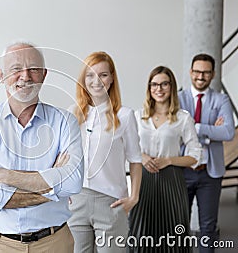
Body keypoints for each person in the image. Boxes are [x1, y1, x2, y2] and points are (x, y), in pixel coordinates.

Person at [0, 41, 84, 252]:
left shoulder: (65, 122)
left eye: (33, 69)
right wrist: (50, 187)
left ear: (44, 75)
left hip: (54, 243)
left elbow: (73, 183)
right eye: (16, 69)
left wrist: (7, 177)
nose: (25, 76)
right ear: (1, 75)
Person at [67, 51, 142, 252]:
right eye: (90, 75)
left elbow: (135, 160)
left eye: (103, 75)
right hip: (77, 200)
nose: (96, 80)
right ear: (83, 79)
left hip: (110, 202)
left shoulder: (125, 116)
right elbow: (65, 159)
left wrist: (134, 197)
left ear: (111, 79)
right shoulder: (73, 114)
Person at [129, 66, 202, 253]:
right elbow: (126, 148)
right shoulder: (138, 117)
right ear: (149, 88)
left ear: (171, 87)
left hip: (172, 181)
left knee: (173, 235)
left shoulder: (183, 118)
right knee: (140, 233)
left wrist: (169, 160)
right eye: (154, 84)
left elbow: (196, 155)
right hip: (142, 181)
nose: (159, 89)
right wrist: (143, 157)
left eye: (164, 84)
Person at [178, 54, 235, 252]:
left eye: (206, 72)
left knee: (208, 228)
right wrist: (212, 131)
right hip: (182, 172)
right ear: (191, 72)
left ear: (213, 74)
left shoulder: (221, 99)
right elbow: (174, 133)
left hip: (210, 173)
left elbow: (228, 132)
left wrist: (197, 127)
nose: (201, 76)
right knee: (179, 226)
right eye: (197, 72)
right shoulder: (178, 99)